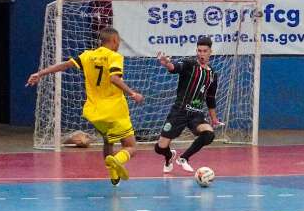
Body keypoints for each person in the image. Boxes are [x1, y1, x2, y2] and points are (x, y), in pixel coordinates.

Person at [26, 27, 143, 186]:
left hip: (94, 112)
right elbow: (114, 79)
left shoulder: (87, 55)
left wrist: (40, 73)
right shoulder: (115, 57)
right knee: (130, 147)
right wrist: (132, 93)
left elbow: (65, 65)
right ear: (115, 40)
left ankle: (112, 172)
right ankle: (116, 160)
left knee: (108, 140)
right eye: (119, 41)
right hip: (115, 110)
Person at [155, 37, 221, 173]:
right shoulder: (189, 64)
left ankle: (184, 158)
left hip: (196, 114)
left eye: (205, 51)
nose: (202, 54)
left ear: (210, 52)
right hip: (179, 111)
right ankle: (169, 156)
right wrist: (167, 63)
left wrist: (214, 118)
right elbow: (175, 68)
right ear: (196, 51)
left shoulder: (213, 74)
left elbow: (210, 97)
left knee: (209, 134)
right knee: (160, 147)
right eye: (199, 50)